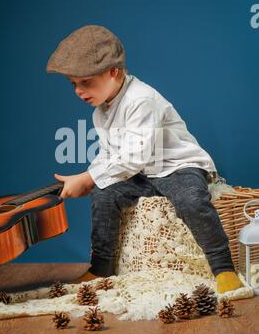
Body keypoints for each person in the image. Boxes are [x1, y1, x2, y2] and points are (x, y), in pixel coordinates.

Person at [46, 25, 243, 293]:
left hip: (177, 166)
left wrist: (88, 178)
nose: (79, 91)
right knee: (104, 194)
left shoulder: (141, 99)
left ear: (112, 72)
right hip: (144, 174)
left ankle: (223, 268)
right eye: (74, 84)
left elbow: (134, 155)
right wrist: (91, 179)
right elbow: (111, 155)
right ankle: (101, 267)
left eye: (86, 82)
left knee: (191, 200)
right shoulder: (99, 113)